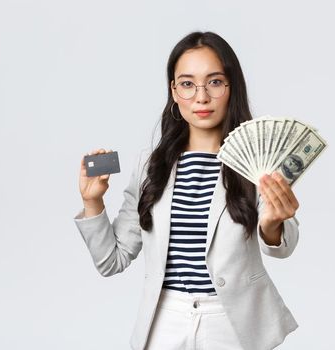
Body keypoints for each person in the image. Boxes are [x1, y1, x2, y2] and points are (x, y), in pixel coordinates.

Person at [73, 31, 302, 350]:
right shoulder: (150, 166)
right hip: (164, 320)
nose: (201, 97)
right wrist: (92, 201)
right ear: (174, 91)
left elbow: (281, 246)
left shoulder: (256, 160)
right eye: (187, 83)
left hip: (232, 322)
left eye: (215, 82)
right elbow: (112, 260)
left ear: (231, 87)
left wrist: (272, 225)